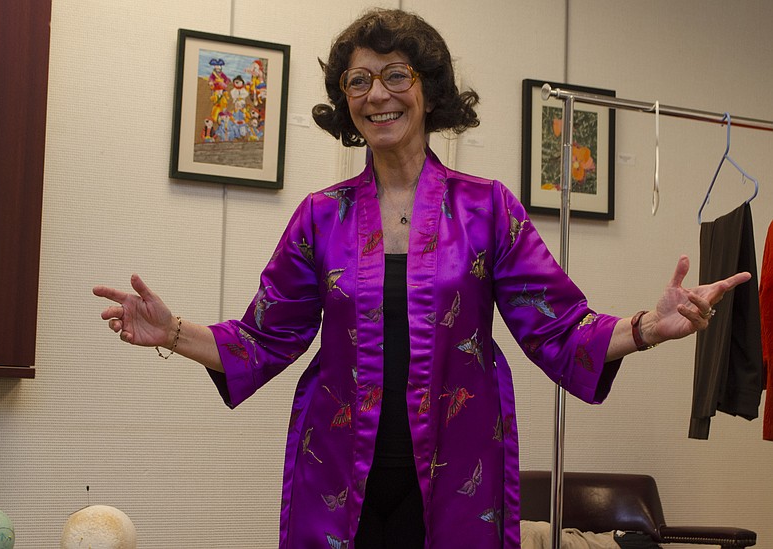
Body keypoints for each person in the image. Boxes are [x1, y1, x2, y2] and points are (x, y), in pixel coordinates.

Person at [93, 9, 750, 549]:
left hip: (460, 472)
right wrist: (171, 330)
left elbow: (555, 326)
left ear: (428, 90)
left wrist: (647, 327)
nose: (377, 94)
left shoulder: (487, 205)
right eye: (358, 82)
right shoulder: (321, 216)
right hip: (337, 479)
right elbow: (265, 338)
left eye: (395, 75)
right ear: (344, 102)